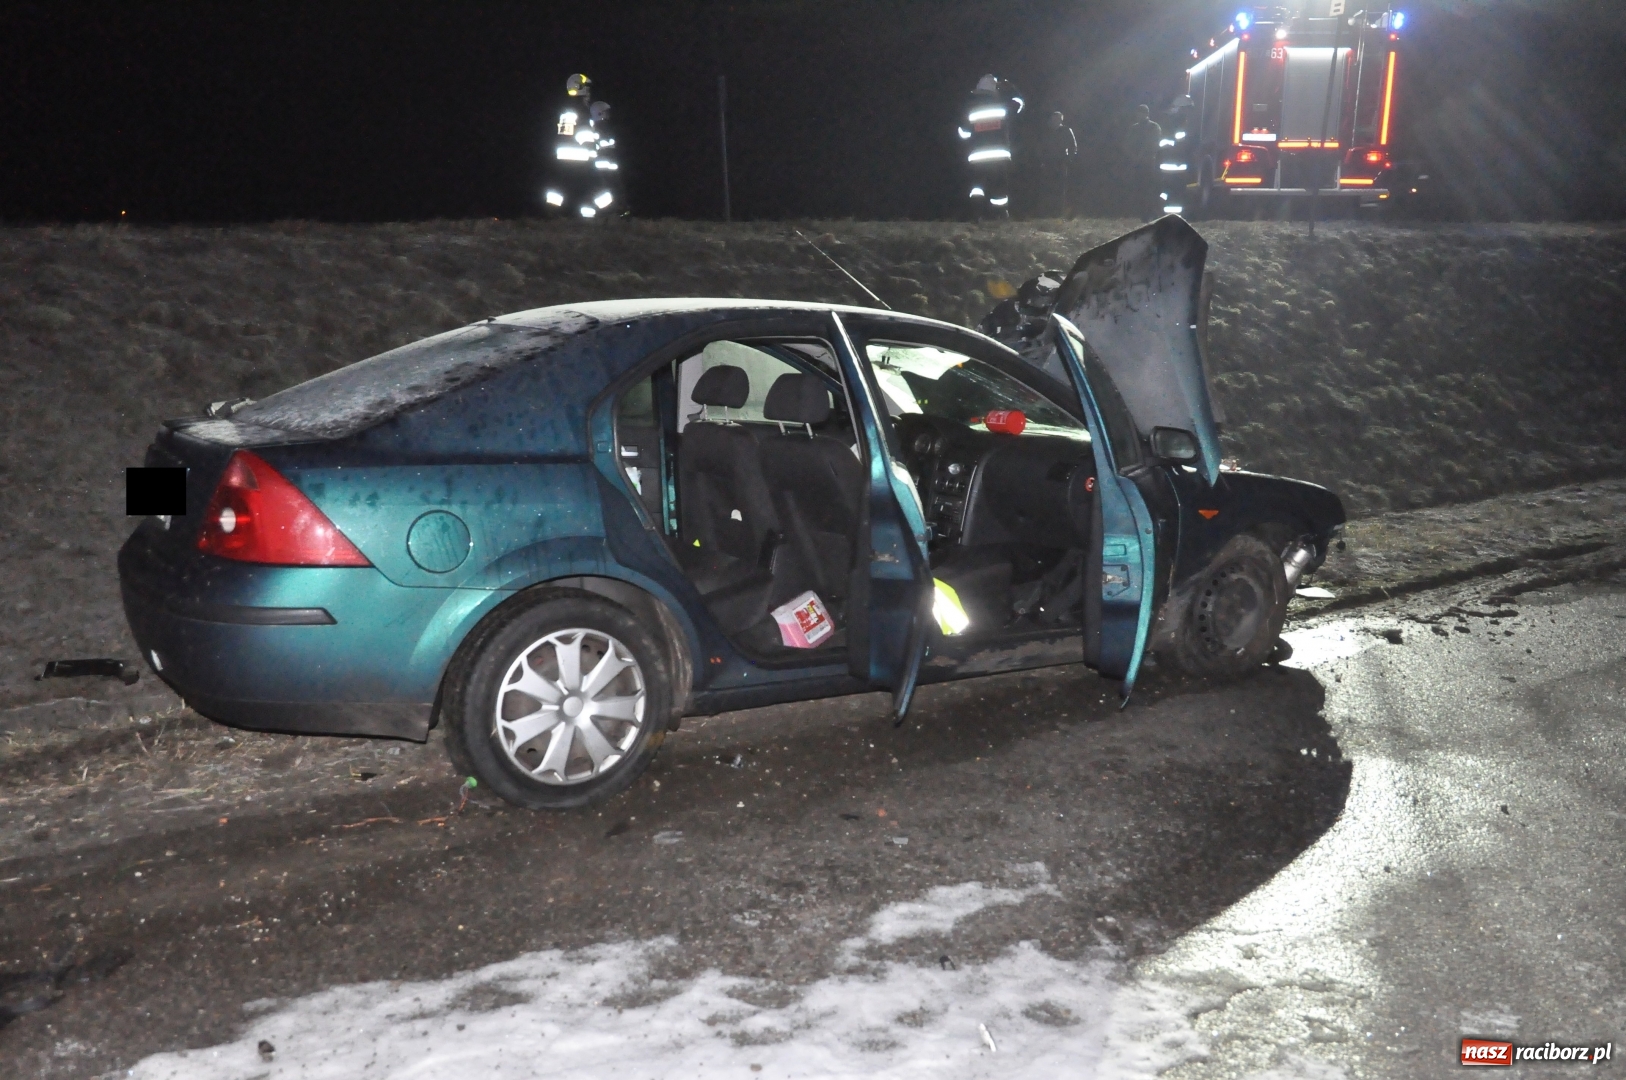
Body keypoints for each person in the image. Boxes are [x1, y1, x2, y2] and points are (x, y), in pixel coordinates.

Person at [543, 74, 614, 219]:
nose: (588, 92)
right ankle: (612, 215)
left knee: (558, 191)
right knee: (601, 192)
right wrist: (593, 148)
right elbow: (583, 132)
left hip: (562, 161)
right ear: (579, 88)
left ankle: (550, 217)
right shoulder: (580, 108)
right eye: (586, 89)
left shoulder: (565, 109)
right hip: (580, 160)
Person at [960, 74, 1023, 219]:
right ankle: (1000, 216)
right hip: (999, 157)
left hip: (977, 158)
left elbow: (963, 133)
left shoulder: (971, 110)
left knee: (977, 187)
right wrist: (1011, 88)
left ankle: (976, 215)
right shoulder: (1002, 106)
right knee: (999, 187)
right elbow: (1018, 103)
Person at [1123, 103, 1164, 221]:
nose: (1139, 115)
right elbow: (1127, 144)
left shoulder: (1154, 127)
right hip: (1137, 162)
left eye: (1141, 113)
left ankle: (1150, 213)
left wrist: (1141, 155)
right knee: (1138, 188)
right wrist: (1133, 156)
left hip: (1149, 162)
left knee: (1149, 189)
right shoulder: (1134, 128)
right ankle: (1142, 213)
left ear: (1146, 114)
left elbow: (1153, 143)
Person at [1038, 111, 1078, 218]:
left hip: (1061, 162)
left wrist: (1068, 159)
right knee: (1048, 187)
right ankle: (1048, 212)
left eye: (1057, 118)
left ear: (1061, 120)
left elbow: (1073, 146)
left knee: (1060, 188)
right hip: (1048, 162)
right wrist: (1042, 161)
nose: (1054, 120)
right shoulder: (1047, 131)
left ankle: (1059, 212)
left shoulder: (1066, 131)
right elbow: (1042, 147)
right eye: (1053, 118)